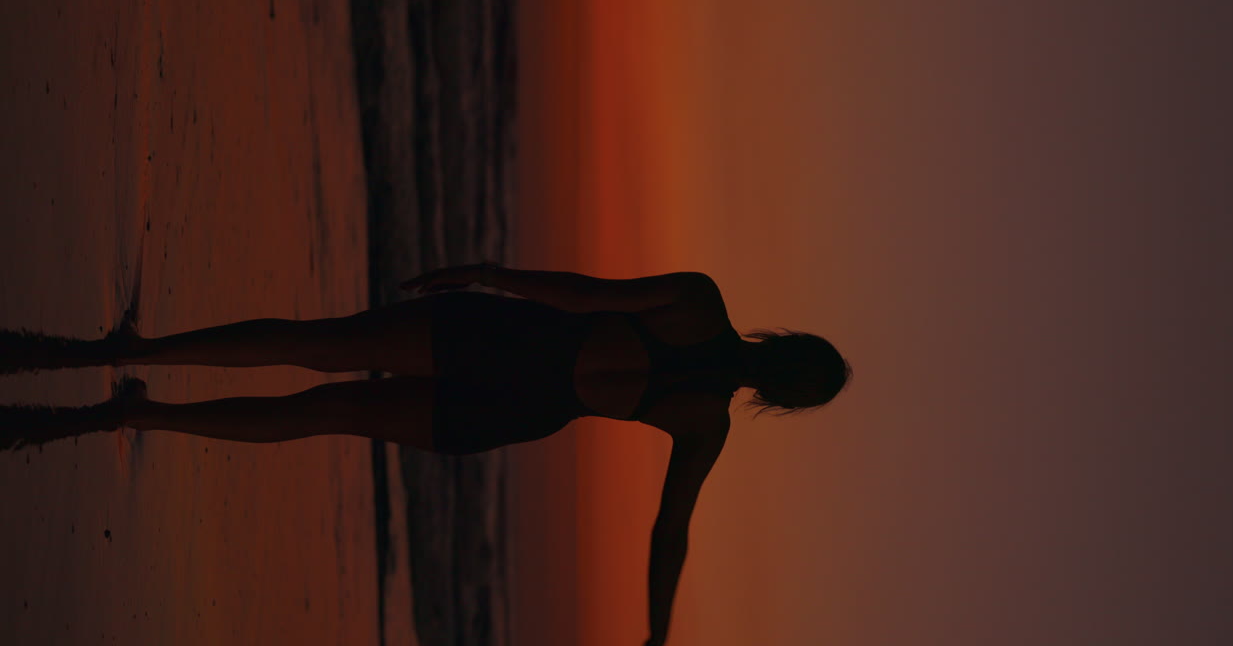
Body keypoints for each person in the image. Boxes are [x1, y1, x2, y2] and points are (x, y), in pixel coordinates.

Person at [1, 264, 852, 645]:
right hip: (517, 408)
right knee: (321, 413)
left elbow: (582, 296)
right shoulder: (707, 424)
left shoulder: (700, 301)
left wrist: (492, 273)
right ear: (783, 396)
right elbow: (673, 530)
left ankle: (116, 356)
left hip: (509, 343)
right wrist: (657, 637)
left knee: (317, 346)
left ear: (785, 339)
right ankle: (133, 421)